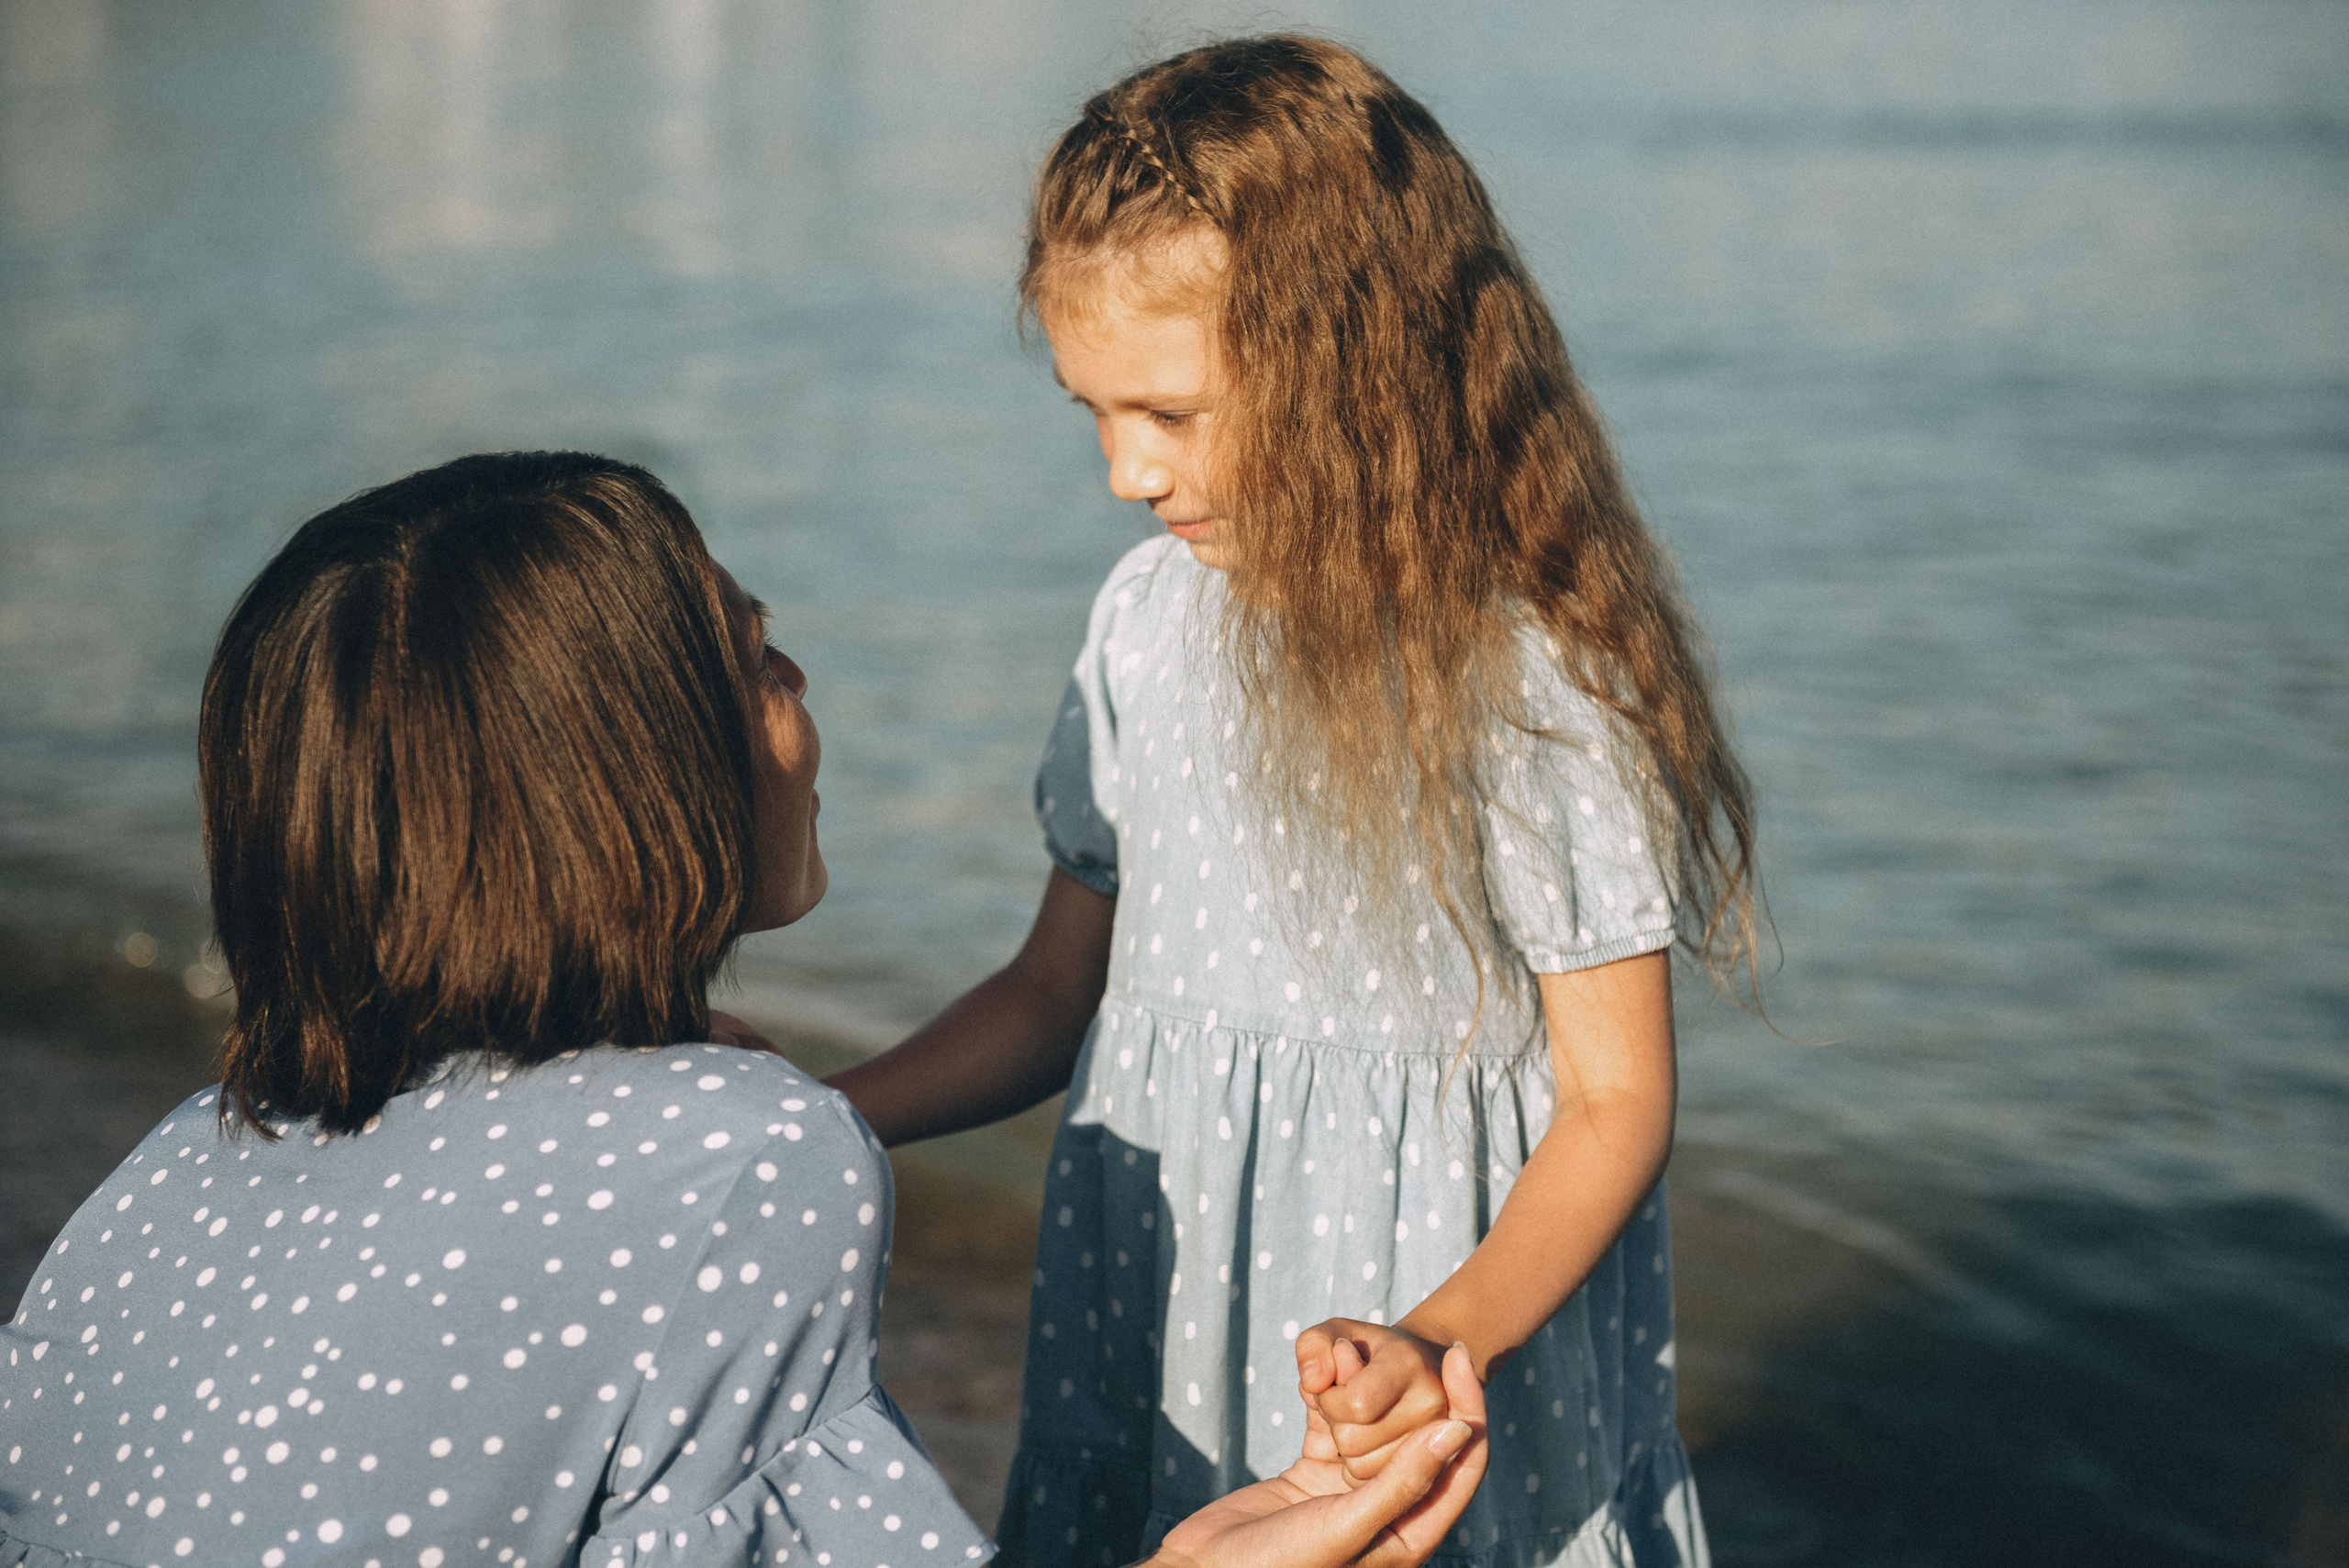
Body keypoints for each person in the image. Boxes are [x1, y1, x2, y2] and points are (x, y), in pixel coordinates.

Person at [0, 452, 1493, 1568]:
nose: (799, 684)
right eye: (755, 650)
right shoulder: (741, 1158)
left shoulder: (175, 1161)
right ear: (633, 779)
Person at [824, 36, 1762, 1568]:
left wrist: (1435, 1341)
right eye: (1094, 413)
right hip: (1159, 1323)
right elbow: (1059, 991)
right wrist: (826, 1113)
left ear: (1355, 368)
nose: (1128, 471)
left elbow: (1617, 1104)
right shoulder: (1144, 623)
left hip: (1421, 1366)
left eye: (1173, 415)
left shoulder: (1525, 684)